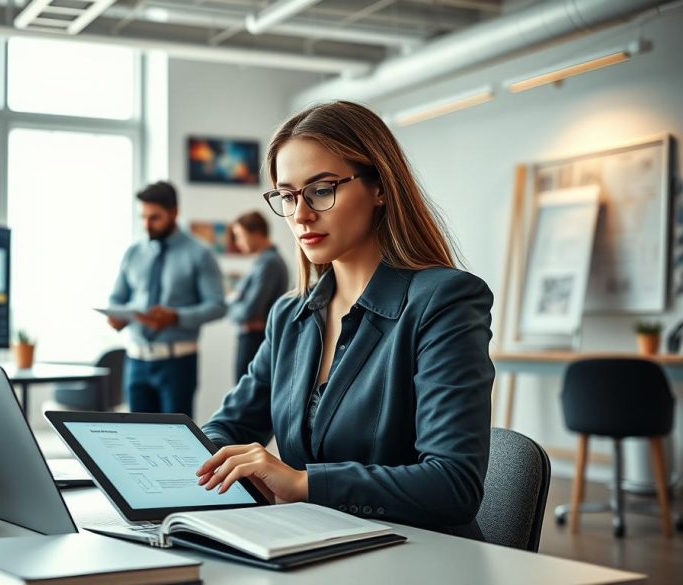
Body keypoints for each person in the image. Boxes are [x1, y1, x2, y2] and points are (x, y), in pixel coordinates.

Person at [196, 101, 495, 540]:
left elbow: (453, 484)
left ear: (379, 188)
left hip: (417, 559)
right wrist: (211, 459)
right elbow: (226, 427)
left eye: (321, 190)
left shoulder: (444, 300)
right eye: (288, 195)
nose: (300, 215)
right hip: (310, 546)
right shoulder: (290, 315)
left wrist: (302, 484)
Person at [108, 181, 227, 417]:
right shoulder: (133, 253)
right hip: (136, 361)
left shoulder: (199, 253)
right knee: (136, 439)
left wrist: (176, 317)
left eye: (154, 217)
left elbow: (218, 306)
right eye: (143, 217)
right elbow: (117, 298)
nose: (146, 225)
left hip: (177, 363)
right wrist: (116, 315)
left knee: (177, 441)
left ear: (174, 212)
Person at [227, 211, 289, 383]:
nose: (238, 243)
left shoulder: (269, 262)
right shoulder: (263, 261)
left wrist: (233, 303)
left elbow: (248, 310)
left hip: (256, 339)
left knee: (246, 392)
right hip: (254, 337)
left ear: (256, 233)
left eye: (240, 236)